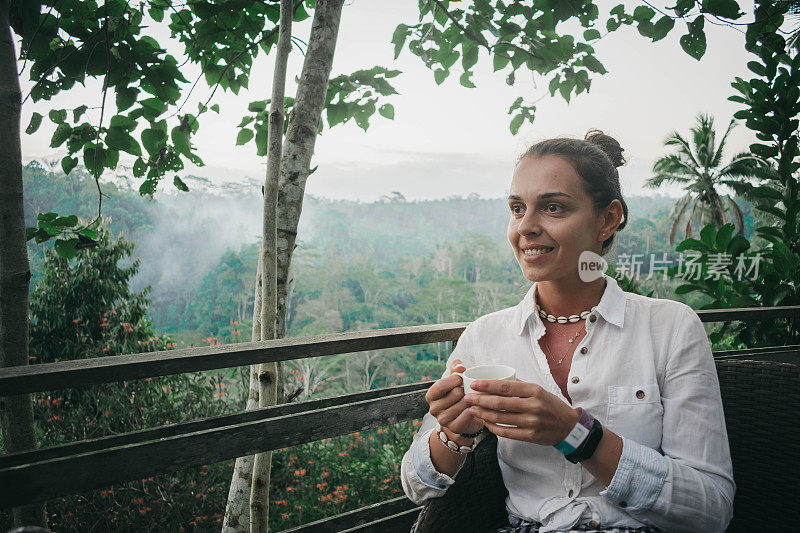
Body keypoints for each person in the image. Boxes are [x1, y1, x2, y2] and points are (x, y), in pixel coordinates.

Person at [400, 130, 735, 532]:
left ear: (607, 220)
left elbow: (711, 509)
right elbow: (415, 484)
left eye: (553, 207)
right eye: (517, 208)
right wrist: (454, 433)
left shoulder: (670, 328)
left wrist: (576, 435)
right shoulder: (484, 337)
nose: (525, 226)